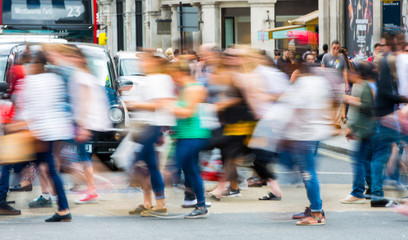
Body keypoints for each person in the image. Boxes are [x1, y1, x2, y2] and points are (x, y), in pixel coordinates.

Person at [22, 50, 74, 222]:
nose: (28, 67)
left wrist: (30, 128)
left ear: (37, 64)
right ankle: (62, 208)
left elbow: (34, 109)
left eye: (30, 63)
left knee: (41, 167)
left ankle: (63, 208)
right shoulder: (54, 78)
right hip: (54, 130)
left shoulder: (33, 81)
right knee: (50, 169)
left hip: (41, 132)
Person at [125, 52, 175, 216]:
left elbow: (160, 104)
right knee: (146, 167)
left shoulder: (158, 79)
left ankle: (160, 204)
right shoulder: (152, 78)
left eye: (144, 60)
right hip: (147, 127)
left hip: (152, 127)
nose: (140, 63)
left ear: (154, 62)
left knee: (144, 165)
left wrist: (135, 104)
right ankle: (149, 202)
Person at [166, 60, 211, 218]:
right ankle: (200, 204)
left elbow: (187, 112)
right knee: (191, 171)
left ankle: (197, 201)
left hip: (192, 136)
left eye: (173, 74)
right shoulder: (187, 88)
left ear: (180, 73)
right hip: (186, 135)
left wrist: (168, 105)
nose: (172, 78)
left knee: (173, 169)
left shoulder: (193, 89)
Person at [340, 62, 376, 204]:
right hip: (362, 129)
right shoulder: (359, 86)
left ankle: (358, 192)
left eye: (352, 72)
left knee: (359, 160)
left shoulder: (365, 87)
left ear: (359, 74)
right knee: (363, 160)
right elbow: (357, 112)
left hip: (366, 130)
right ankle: (371, 188)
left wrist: (352, 101)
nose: (349, 74)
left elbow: (367, 107)